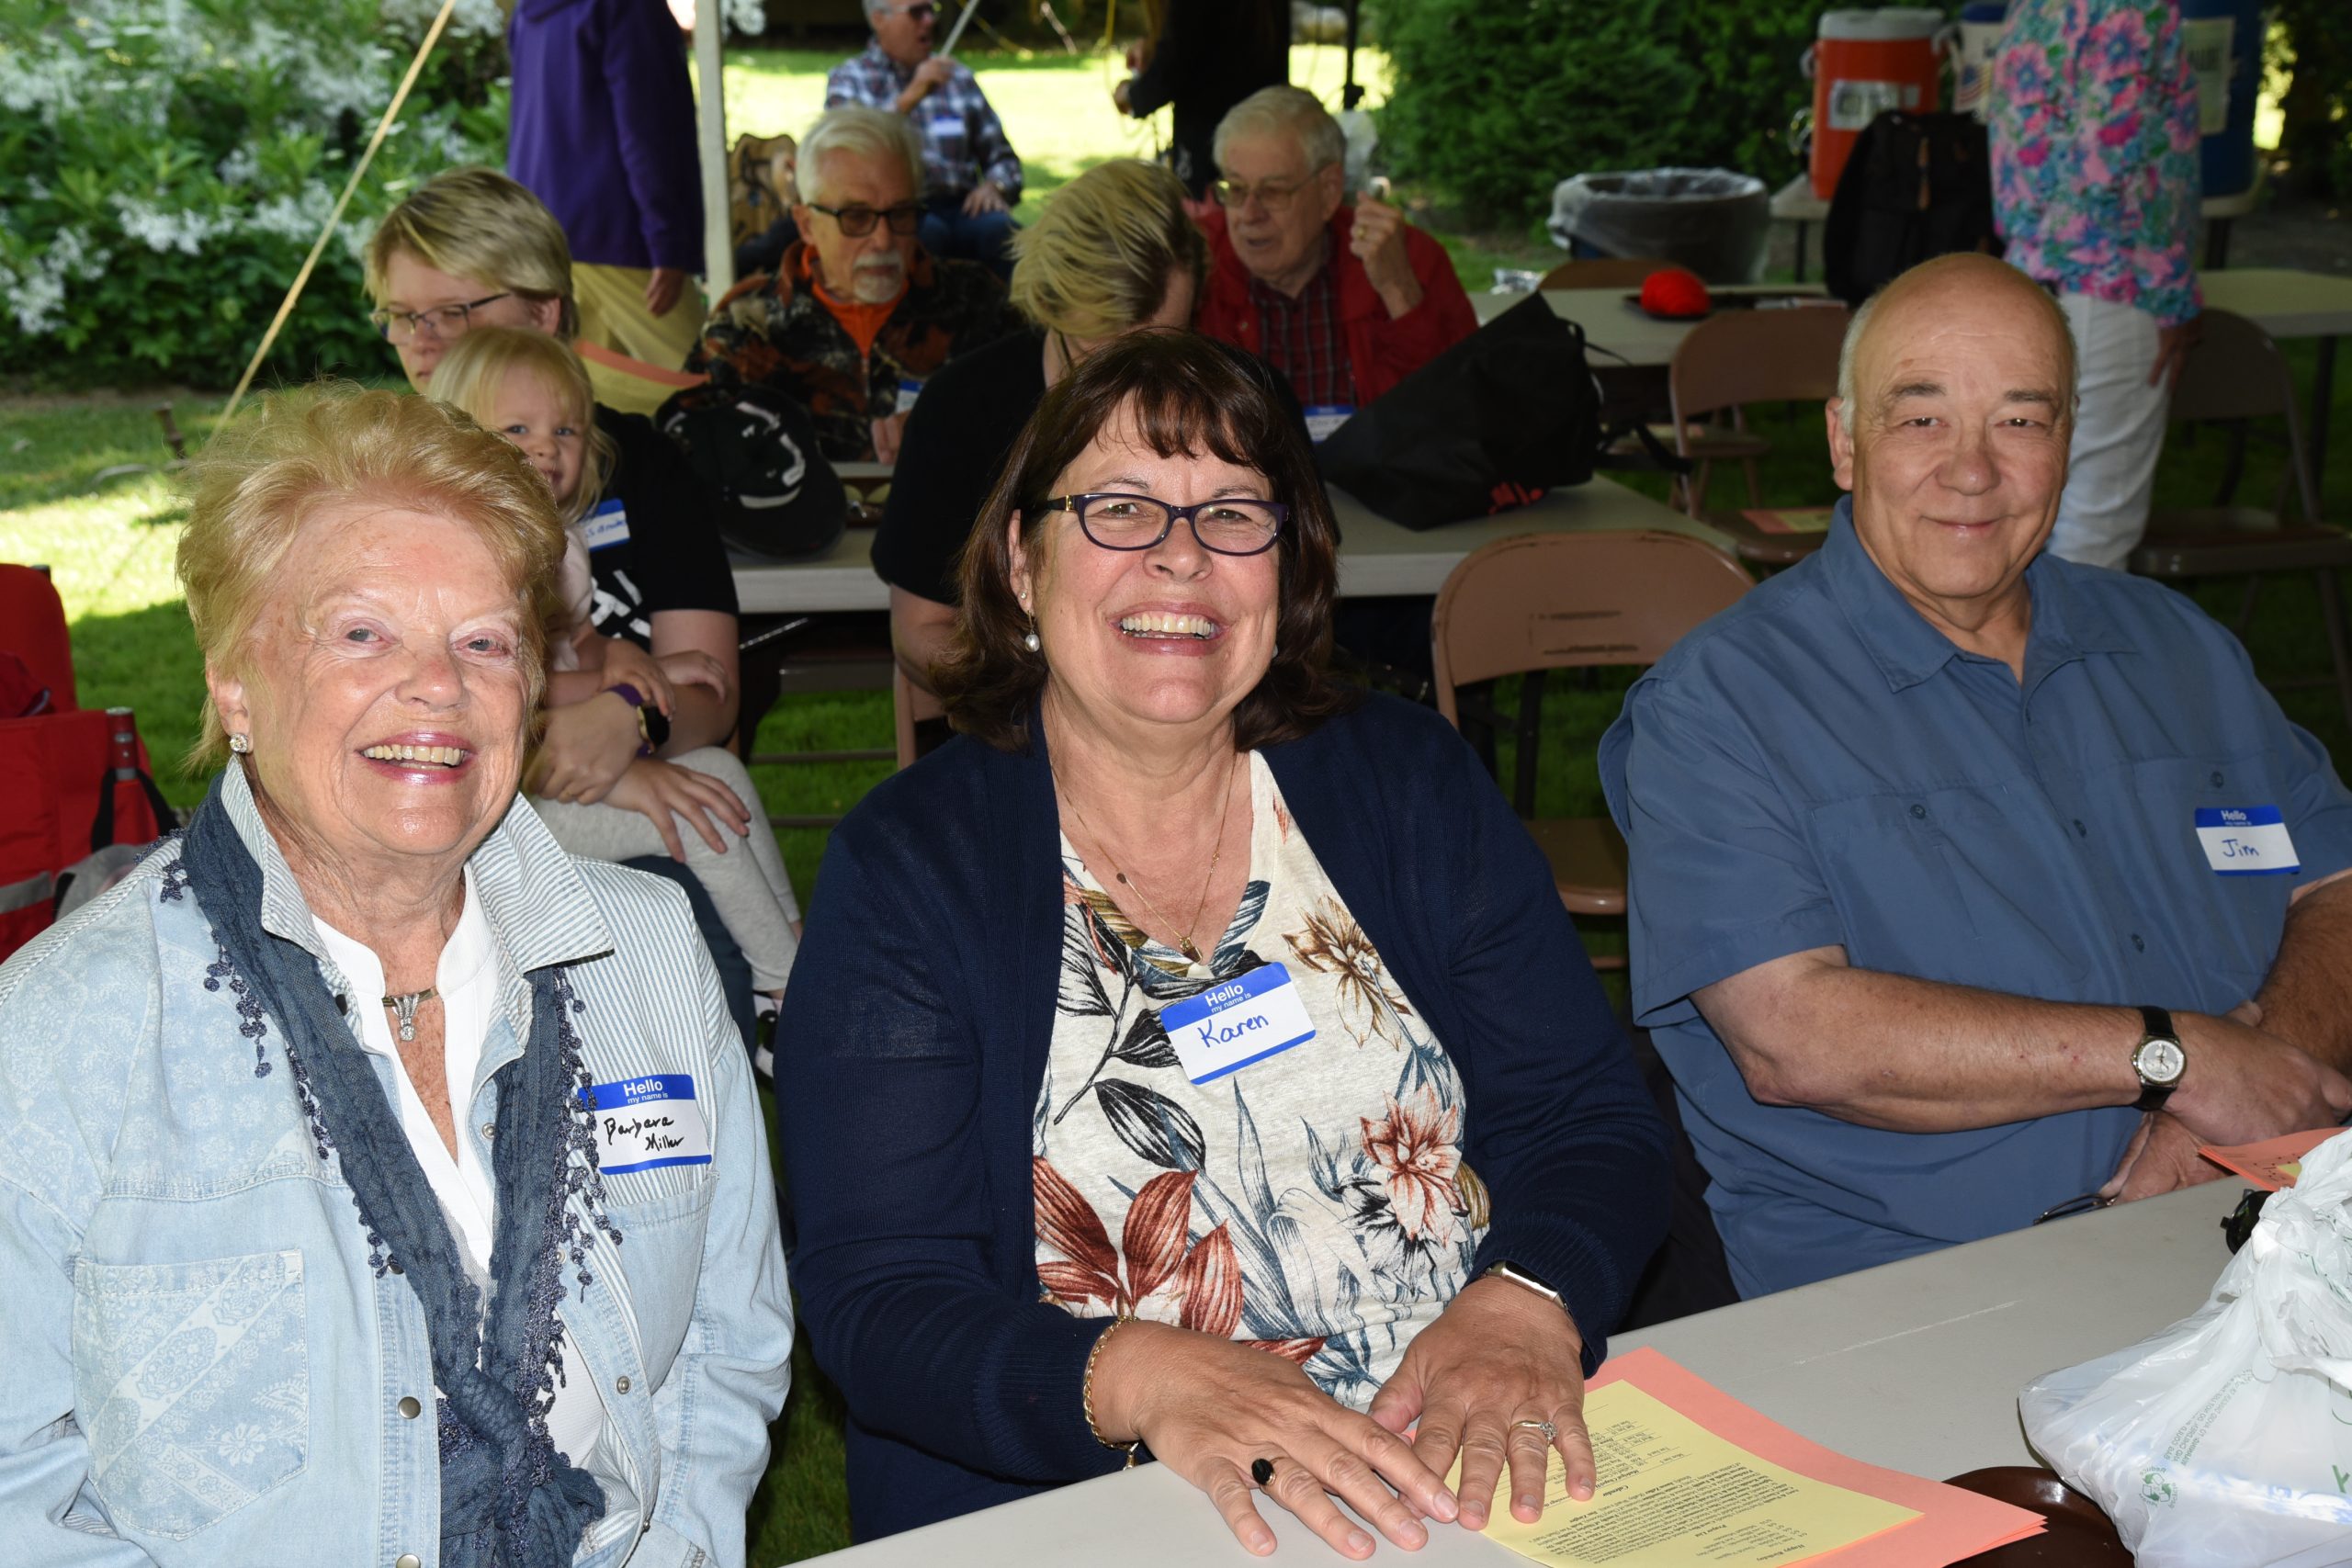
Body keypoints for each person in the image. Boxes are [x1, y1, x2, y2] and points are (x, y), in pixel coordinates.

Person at [779, 331, 1669, 1544]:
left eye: (1233, 513)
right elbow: (880, 1298)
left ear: (1286, 567)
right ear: (1023, 563)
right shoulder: (912, 869)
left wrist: (1524, 1299)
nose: (1182, 556)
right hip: (1117, 1494)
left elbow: (1587, 1114)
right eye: (1120, 508)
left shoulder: (1404, 781)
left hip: (1469, 1442)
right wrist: (1149, 1378)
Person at [0, 386, 793, 1565]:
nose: (437, 685)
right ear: (234, 681)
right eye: (362, 633)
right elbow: (17, 1489)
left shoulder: (646, 953)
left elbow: (724, 1349)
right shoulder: (69, 1026)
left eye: (484, 641)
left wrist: (676, 1546)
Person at [1599, 254, 2352, 1300]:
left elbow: (2335, 884)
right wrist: (2176, 1059)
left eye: (2020, 420)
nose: (1971, 469)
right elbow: (1793, 1038)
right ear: (1843, 443)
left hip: (2288, 1230)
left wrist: (2242, 1094)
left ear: (2067, 442)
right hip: (1940, 1294)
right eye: (1921, 418)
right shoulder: (1721, 706)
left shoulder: (2179, 648)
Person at [366, 169, 763, 1032]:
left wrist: (629, 719)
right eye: (402, 315)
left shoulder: (635, 466)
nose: (423, 342)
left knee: (683, 923)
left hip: (619, 786)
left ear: (544, 312)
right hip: (441, 824)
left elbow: (709, 688)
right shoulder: (379, 490)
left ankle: (765, 1024)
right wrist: (583, 747)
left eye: (453, 311)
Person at [427, 327, 804, 1003]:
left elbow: (582, 640)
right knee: (694, 817)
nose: (547, 447)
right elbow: (508, 690)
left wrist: (625, 658)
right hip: (495, 813)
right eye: (518, 429)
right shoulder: (465, 559)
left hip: (550, 775)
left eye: (566, 430)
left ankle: (793, 951)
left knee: (719, 771)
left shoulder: (561, 547)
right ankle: (788, 993)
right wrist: (608, 688)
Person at [873, 158, 1208, 694]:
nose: (1128, 387)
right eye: (1096, 357)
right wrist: (1045, 700)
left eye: (1162, 350)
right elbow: (920, 628)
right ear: (1048, 305)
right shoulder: (961, 409)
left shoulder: (1240, 408)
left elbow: (1297, 612)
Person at [1989, 0, 2202, 570]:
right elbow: (2110, 158)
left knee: (2023, 512)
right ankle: (2067, 637)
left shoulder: (2034, 8)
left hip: (2030, 283)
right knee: (2094, 529)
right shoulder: (2136, 9)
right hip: (2115, 283)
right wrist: (2175, 297)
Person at [687, 106, 1025, 465]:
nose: (883, 240)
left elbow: (1040, 430)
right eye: (856, 216)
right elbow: (690, 449)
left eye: (900, 213)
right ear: (806, 224)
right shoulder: (745, 324)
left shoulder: (977, 305)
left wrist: (953, 433)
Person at [1194, 86, 1476, 430]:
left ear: (1329, 191)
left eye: (1273, 191)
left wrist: (1398, 292)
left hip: (1376, 465)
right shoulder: (1194, 261)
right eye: (1236, 189)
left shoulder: (1405, 258)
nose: (1249, 215)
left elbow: (1458, 411)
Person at [509, 0, 707, 368]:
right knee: (706, 382)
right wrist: (666, 241)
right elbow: (647, 130)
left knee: (588, 393)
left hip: (544, 229)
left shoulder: (528, 10)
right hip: (620, 236)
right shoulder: (627, 8)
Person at [826, 0, 1023, 278]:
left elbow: (1004, 160)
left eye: (932, 10)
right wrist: (910, 97)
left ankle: (1014, 308)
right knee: (926, 235)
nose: (929, 20)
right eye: (917, 12)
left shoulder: (958, 78)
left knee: (1002, 232)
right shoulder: (849, 80)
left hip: (963, 206)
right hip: (893, 212)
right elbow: (845, 155)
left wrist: (996, 186)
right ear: (880, 19)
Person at [1114, 0, 1291, 201]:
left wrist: (1131, 95)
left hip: (1207, 138)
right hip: (1266, 127)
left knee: (1208, 212)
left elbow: (1173, 66)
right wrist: (1155, 45)